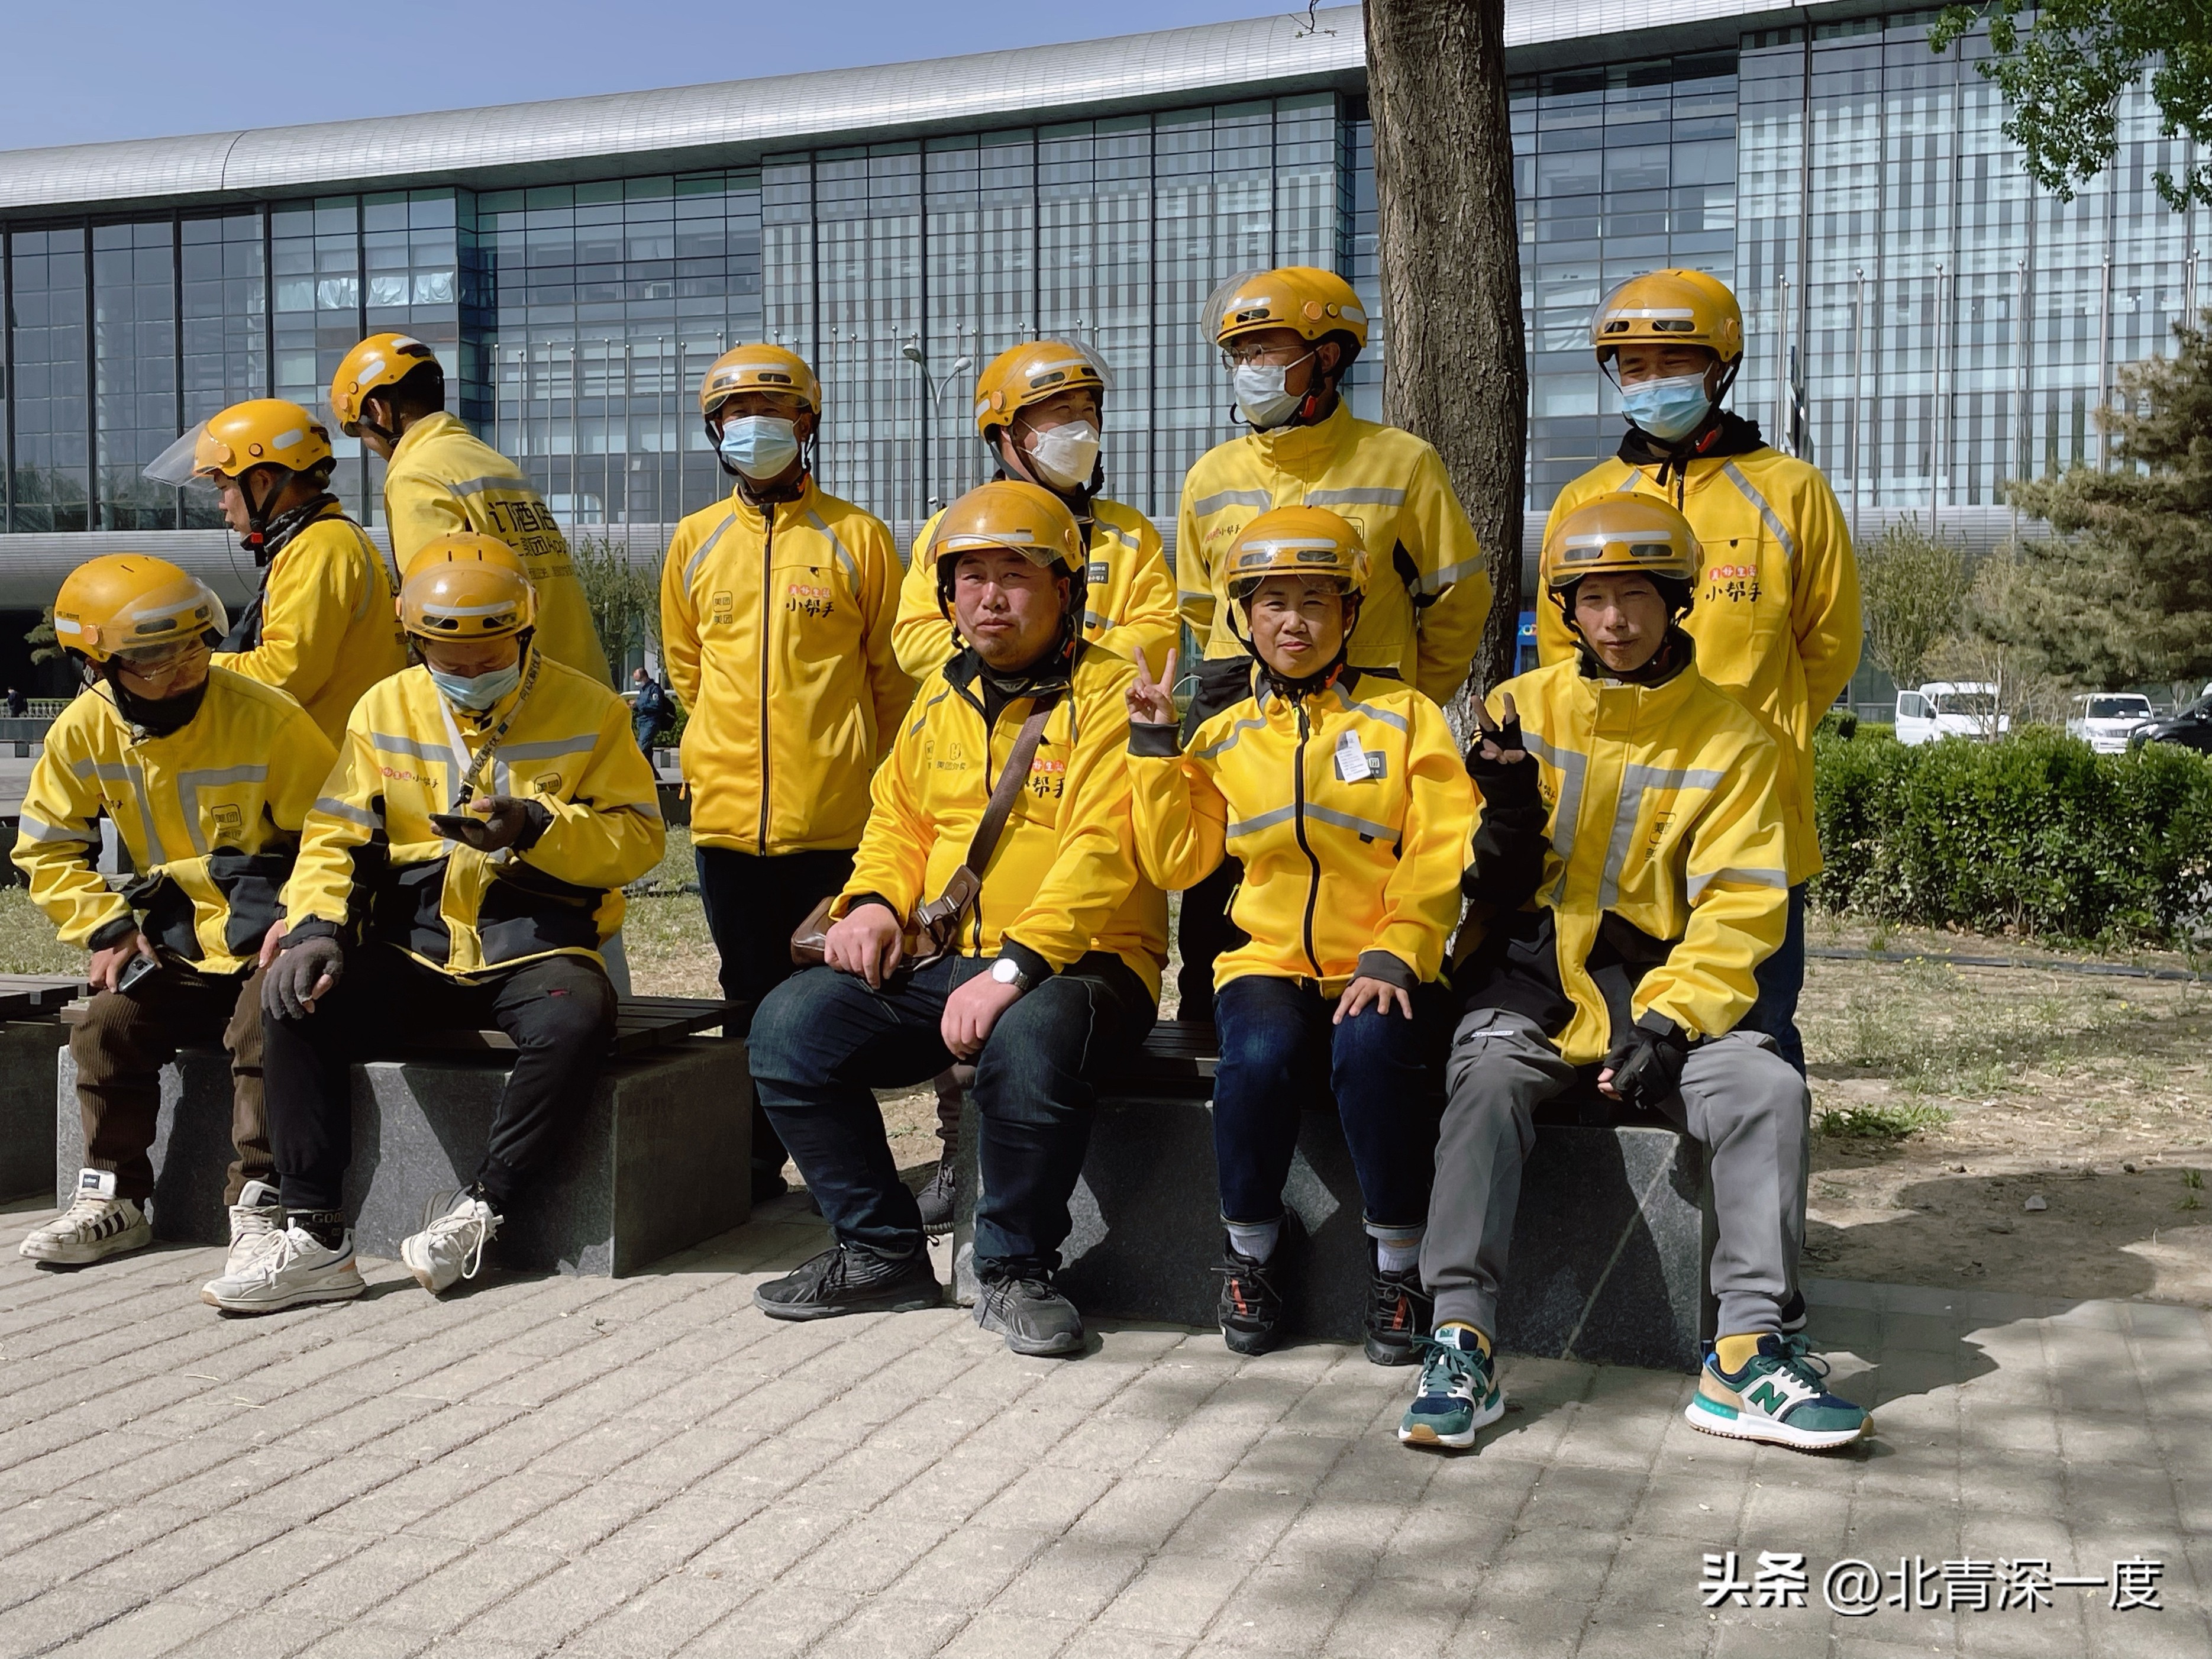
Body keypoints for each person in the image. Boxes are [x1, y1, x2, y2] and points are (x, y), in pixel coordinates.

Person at [1399, 496, 1868, 1455]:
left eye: (1636, 596)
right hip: (1524, 983)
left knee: (1766, 1089)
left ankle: (1745, 1351)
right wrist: (1503, 818)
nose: (1614, 619)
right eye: (1593, 597)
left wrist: (1668, 1023)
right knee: (1482, 1085)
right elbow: (1459, 869)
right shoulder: (1517, 707)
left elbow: (1740, 908)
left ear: (1676, 600)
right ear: (1565, 609)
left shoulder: (1735, 739)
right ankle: (1457, 1340)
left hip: (1660, 999)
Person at [744, 480, 1162, 1358]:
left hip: (1084, 968)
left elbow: (1103, 853)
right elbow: (899, 821)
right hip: (945, 963)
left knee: (1029, 1036)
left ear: (1066, 590)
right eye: (969, 578)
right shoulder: (939, 693)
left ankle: (1013, 1269)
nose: (989, 597)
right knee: (787, 1028)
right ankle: (879, 1252)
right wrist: (868, 906)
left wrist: (1014, 970)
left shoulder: (1114, 693)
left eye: (1015, 574)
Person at [201, 535, 664, 1312]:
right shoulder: (384, 707)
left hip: (536, 939)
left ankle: (483, 1206)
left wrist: (534, 824)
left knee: (578, 1016)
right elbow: (333, 833)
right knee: (294, 997)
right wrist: (315, 925)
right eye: (452, 662)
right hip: (409, 943)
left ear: (525, 633)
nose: (474, 676)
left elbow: (639, 839)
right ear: (416, 644)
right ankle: (315, 1238)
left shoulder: (591, 709)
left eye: (492, 657)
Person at [1124, 508, 1471, 1364]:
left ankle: (1397, 1264)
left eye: (1315, 601)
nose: (1292, 621)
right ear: (1242, 616)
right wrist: (1152, 745)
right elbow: (1175, 862)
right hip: (1267, 959)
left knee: (1371, 1048)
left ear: (1350, 613)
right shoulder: (1222, 733)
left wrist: (1400, 945)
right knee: (1258, 1058)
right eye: (1271, 601)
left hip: (1384, 954)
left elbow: (1440, 845)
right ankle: (1250, 1253)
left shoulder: (1407, 718)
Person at [1536, 270, 1861, 1078]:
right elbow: (1560, 656)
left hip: (1750, 817)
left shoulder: (1790, 493)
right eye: (1632, 366)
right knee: (1621, 1043)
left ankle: (1751, 1203)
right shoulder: (1585, 499)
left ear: (1719, 366)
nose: (1650, 382)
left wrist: (1750, 741)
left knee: (1754, 1036)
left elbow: (1828, 647)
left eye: (1671, 361)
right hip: (1620, 828)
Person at [891, 338, 1177, 1232]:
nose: (1074, 434)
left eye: (1083, 417)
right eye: (1052, 419)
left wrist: (1062, 659)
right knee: (948, 940)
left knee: (1033, 996)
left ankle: (1015, 1225)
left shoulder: (1127, 535)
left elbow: (1151, 644)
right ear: (1002, 433)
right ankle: (953, 1156)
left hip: (1087, 741)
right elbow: (911, 637)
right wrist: (1003, 639)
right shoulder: (957, 524)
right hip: (978, 745)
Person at [1173, 266, 1489, 1021]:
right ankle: (1207, 1022)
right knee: (1216, 888)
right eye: (1239, 352)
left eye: (1268, 348)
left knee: (1367, 875)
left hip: (1367, 701)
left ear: (1329, 355)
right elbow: (1197, 602)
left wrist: (1410, 693)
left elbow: (1458, 593)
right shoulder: (1209, 475)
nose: (1252, 367)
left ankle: (1368, 1018)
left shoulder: (1401, 461)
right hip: (1234, 704)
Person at [14, 556, 334, 1274]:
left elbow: (333, 836)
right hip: (174, 944)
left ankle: (259, 1203)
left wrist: (306, 920)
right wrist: (106, 926)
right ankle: (113, 1199)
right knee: (105, 1024)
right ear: (95, 663)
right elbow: (47, 847)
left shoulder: (268, 717)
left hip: (267, 939)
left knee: (268, 1020)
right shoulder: (83, 732)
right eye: (155, 657)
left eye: (194, 644)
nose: (185, 666)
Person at [659, 343, 909, 1203]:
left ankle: (844, 1171)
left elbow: (891, 678)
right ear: (712, 430)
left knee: (830, 1005)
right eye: (732, 414)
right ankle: (754, 1166)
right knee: (745, 996)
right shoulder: (693, 543)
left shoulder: (858, 539)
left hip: (835, 822)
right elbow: (687, 669)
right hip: (727, 825)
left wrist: (859, 775)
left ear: (808, 423)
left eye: (772, 410)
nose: (752, 427)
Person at [330, 332, 613, 685]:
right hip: (579, 686)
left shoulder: (415, 475)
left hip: (510, 697)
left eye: (360, 431)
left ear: (377, 411)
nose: (369, 446)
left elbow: (441, 612)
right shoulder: (495, 464)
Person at [143, 399, 408, 746]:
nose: (222, 504)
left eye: (224, 487)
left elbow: (285, 673)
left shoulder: (318, 547)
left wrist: (187, 669)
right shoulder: (326, 538)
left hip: (326, 772)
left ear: (263, 481)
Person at [630, 666, 674, 755]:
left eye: (639, 681)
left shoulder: (654, 689)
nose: (637, 683)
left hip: (650, 723)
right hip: (642, 723)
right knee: (647, 753)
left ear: (645, 678)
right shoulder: (643, 690)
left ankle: (638, 768)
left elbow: (656, 705)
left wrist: (639, 704)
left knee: (641, 749)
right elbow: (642, 704)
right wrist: (634, 706)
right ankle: (651, 769)